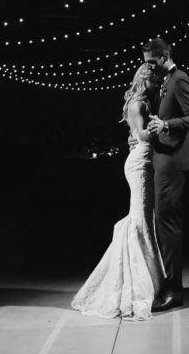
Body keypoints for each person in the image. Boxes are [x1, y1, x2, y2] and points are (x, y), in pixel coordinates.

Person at [71, 64, 166, 320]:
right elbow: (142, 134)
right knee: (140, 221)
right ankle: (136, 286)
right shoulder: (138, 104)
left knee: (143, 220)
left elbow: (135, 134)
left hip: (141, 160)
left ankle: (145, 281)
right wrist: (159, 127)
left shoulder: (141, 102)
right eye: (155, 81)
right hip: (139, 164)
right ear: (145, 80)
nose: (157, 85)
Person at [140, 37, 189, 311]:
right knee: (163, 225)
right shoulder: (164, 81)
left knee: (167, 226)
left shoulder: (180, 79)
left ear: (165, 56)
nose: (148, 67)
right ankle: (170, 285)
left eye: (151, 62)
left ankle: (174, 291)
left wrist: (166, 125)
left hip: (173, 163)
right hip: (163, 161)